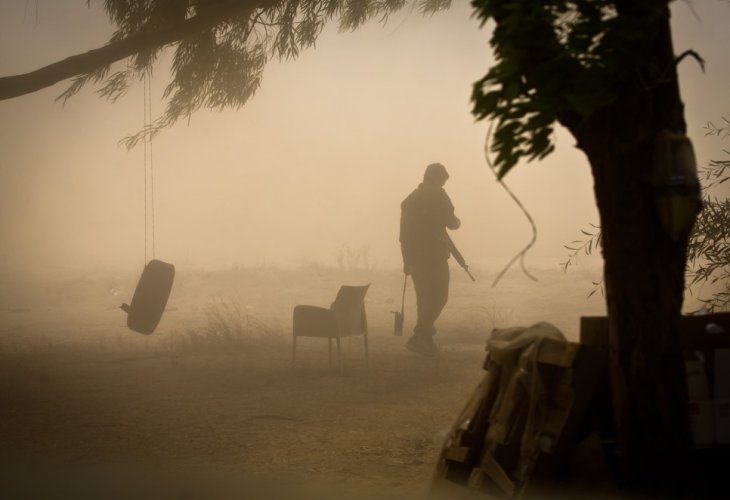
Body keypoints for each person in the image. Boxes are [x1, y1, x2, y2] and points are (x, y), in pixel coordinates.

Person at [399, 162, 461, 357]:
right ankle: (419, 336)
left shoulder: (409, 200)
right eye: (442, 181)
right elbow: (452, 223)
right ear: (435, 178)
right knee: (440, 296)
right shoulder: (438, 194)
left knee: (423, 299)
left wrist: (406, 262)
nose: (443, 185)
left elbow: (404, 236)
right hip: (434, 257)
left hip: (414, 259)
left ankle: (424, 341)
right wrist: (456, 222)